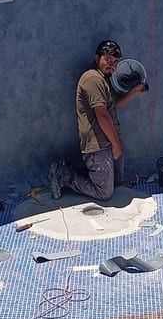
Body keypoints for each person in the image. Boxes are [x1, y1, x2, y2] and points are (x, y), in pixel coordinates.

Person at [49, 40, 145, 202]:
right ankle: (63, 174)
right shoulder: (92, 79)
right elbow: (102, 115)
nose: (112, 64)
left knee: (117, 183)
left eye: (115, 62)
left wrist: (133, 92)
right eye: (107, 59)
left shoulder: (103, 81)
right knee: (104, 193)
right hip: (98, 144)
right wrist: (116, 145)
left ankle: (77, 168)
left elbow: (112, 106)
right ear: (97, 58)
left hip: (108, 139)